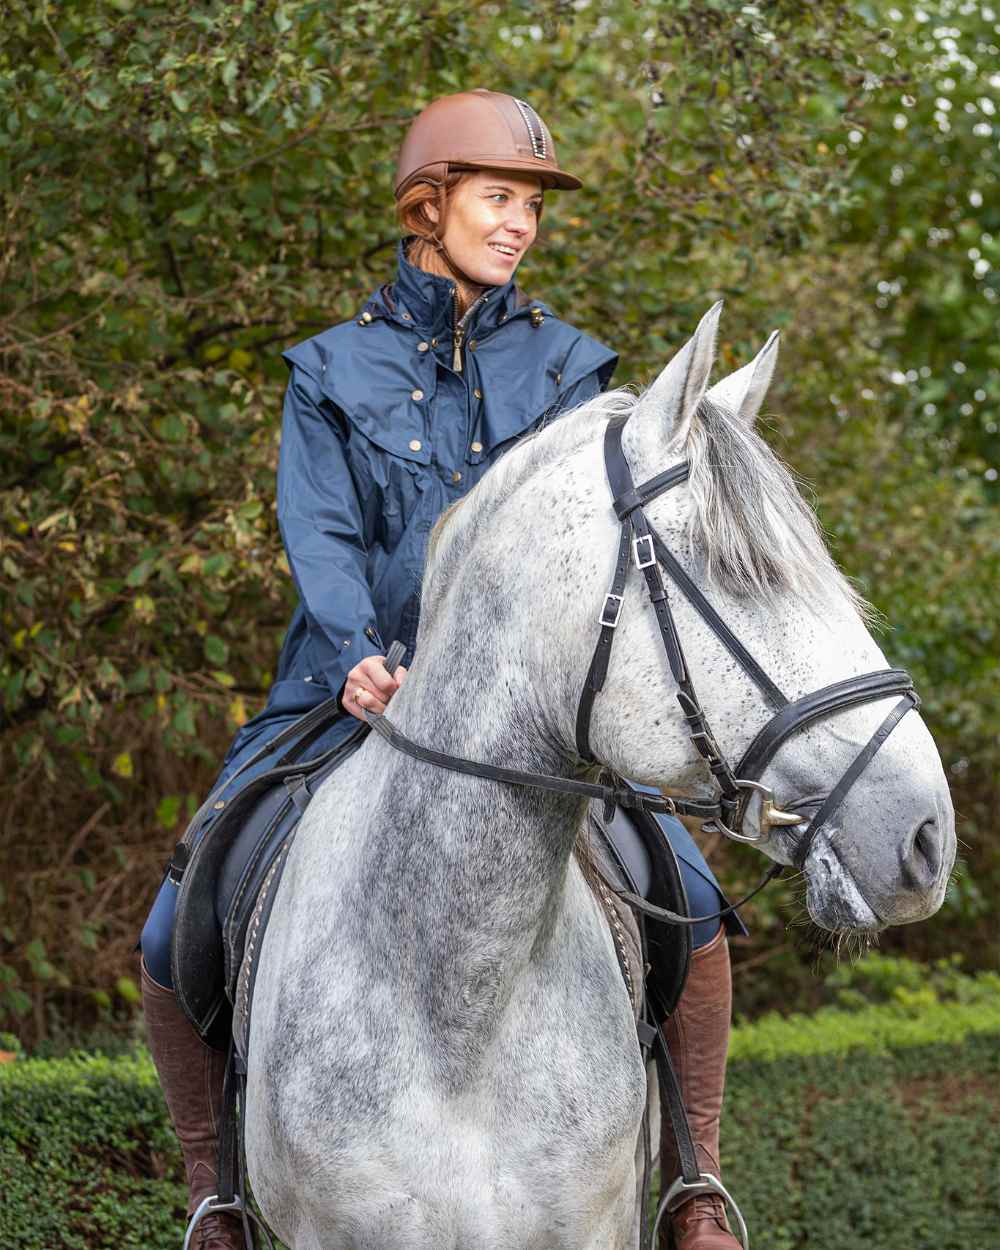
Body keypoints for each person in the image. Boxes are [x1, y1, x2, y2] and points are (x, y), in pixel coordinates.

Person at [140, 89, 743, 1250]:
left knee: (695, 906)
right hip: (343, 688)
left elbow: (580, 545)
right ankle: (214, 1190)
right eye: (499, 197)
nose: (520, 223)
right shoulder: (329, 369)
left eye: (531, 206)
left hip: (528, 717)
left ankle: (695, 1182)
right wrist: (356, 652)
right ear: (429, 204)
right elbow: (319, 531)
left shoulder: (571, 369)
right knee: (175, 926)